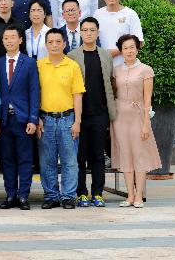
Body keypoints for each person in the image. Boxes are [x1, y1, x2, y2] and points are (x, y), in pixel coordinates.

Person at [66, 17, 116, 208]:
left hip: (100, 113)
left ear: (97, 32)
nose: (88, 33)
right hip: (79, 114)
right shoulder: (72, 56)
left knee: (98, 155)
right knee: (79, 156)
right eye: (85, 30)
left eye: (92, 30)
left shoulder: (105, 55)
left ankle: (98, 193)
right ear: (80, 33)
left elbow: (110, 83)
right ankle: (81, 193)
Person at [36, 29, 85, 209]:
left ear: (64, 44)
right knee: (47, 161)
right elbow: (34, 93)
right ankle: (51, 196)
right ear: (46, 45)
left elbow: (78, 95)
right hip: (45, 119)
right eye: (51, 42)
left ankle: (68, 196)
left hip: (67, 119)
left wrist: (77, 121)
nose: (55, 45)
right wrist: (36, 118)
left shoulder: (72, 66)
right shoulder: (39, 65)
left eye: (58, 41)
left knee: (69, 161)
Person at [112, 34, 161, 208]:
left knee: (139, 154)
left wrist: (146, 123)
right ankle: (130, 196)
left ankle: (139, 195)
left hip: (138, 116)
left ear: (137, 48)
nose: (129, 51)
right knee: (125, 154)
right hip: (119, 117)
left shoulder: (146, 70)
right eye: (125, 48)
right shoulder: (115, 70)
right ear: (121, 51)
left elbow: (148, 100)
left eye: (132, 47)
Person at [0, 26, 40, 210]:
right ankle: (11, 194)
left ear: (20, 40)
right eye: (6, 38)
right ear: (2, 41)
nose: (9, 40)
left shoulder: (29, 63)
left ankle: (23, 196)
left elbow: (34, 92)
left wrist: (33, 119)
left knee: (25, 159)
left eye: (13, 37)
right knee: (7, 159)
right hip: (5, 119)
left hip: (23, 119)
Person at [94, 0, 144, 66]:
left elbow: (139, 42)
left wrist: (115, 52)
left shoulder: (130, 14)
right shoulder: (97, 14)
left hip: (125, 66)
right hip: (101, 65)